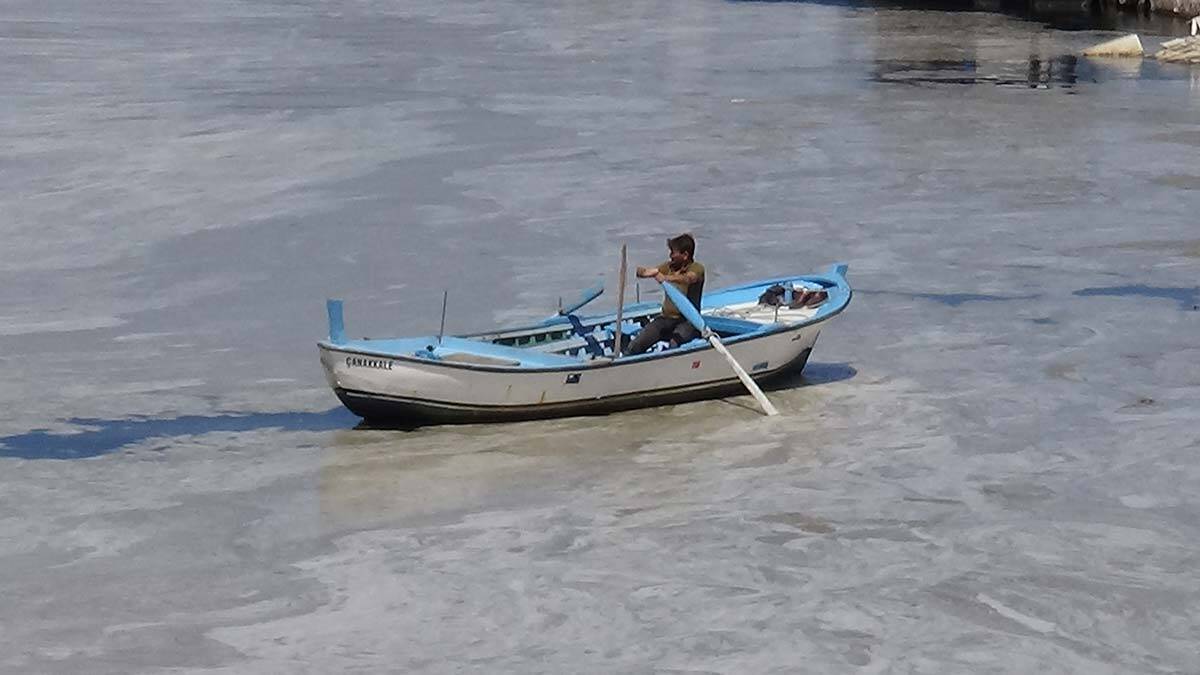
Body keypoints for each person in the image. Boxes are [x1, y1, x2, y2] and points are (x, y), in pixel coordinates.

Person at [626, 233, 706, 355]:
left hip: (688, 321)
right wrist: (645, 272)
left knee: (674, 344)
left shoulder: (697, 268)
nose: (670, 255)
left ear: (685, 255)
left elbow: (689, 278)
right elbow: (642, 272)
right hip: (666, 318)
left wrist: (665, 278)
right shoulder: (669, 266)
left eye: (673, 252)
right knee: (637, 344)